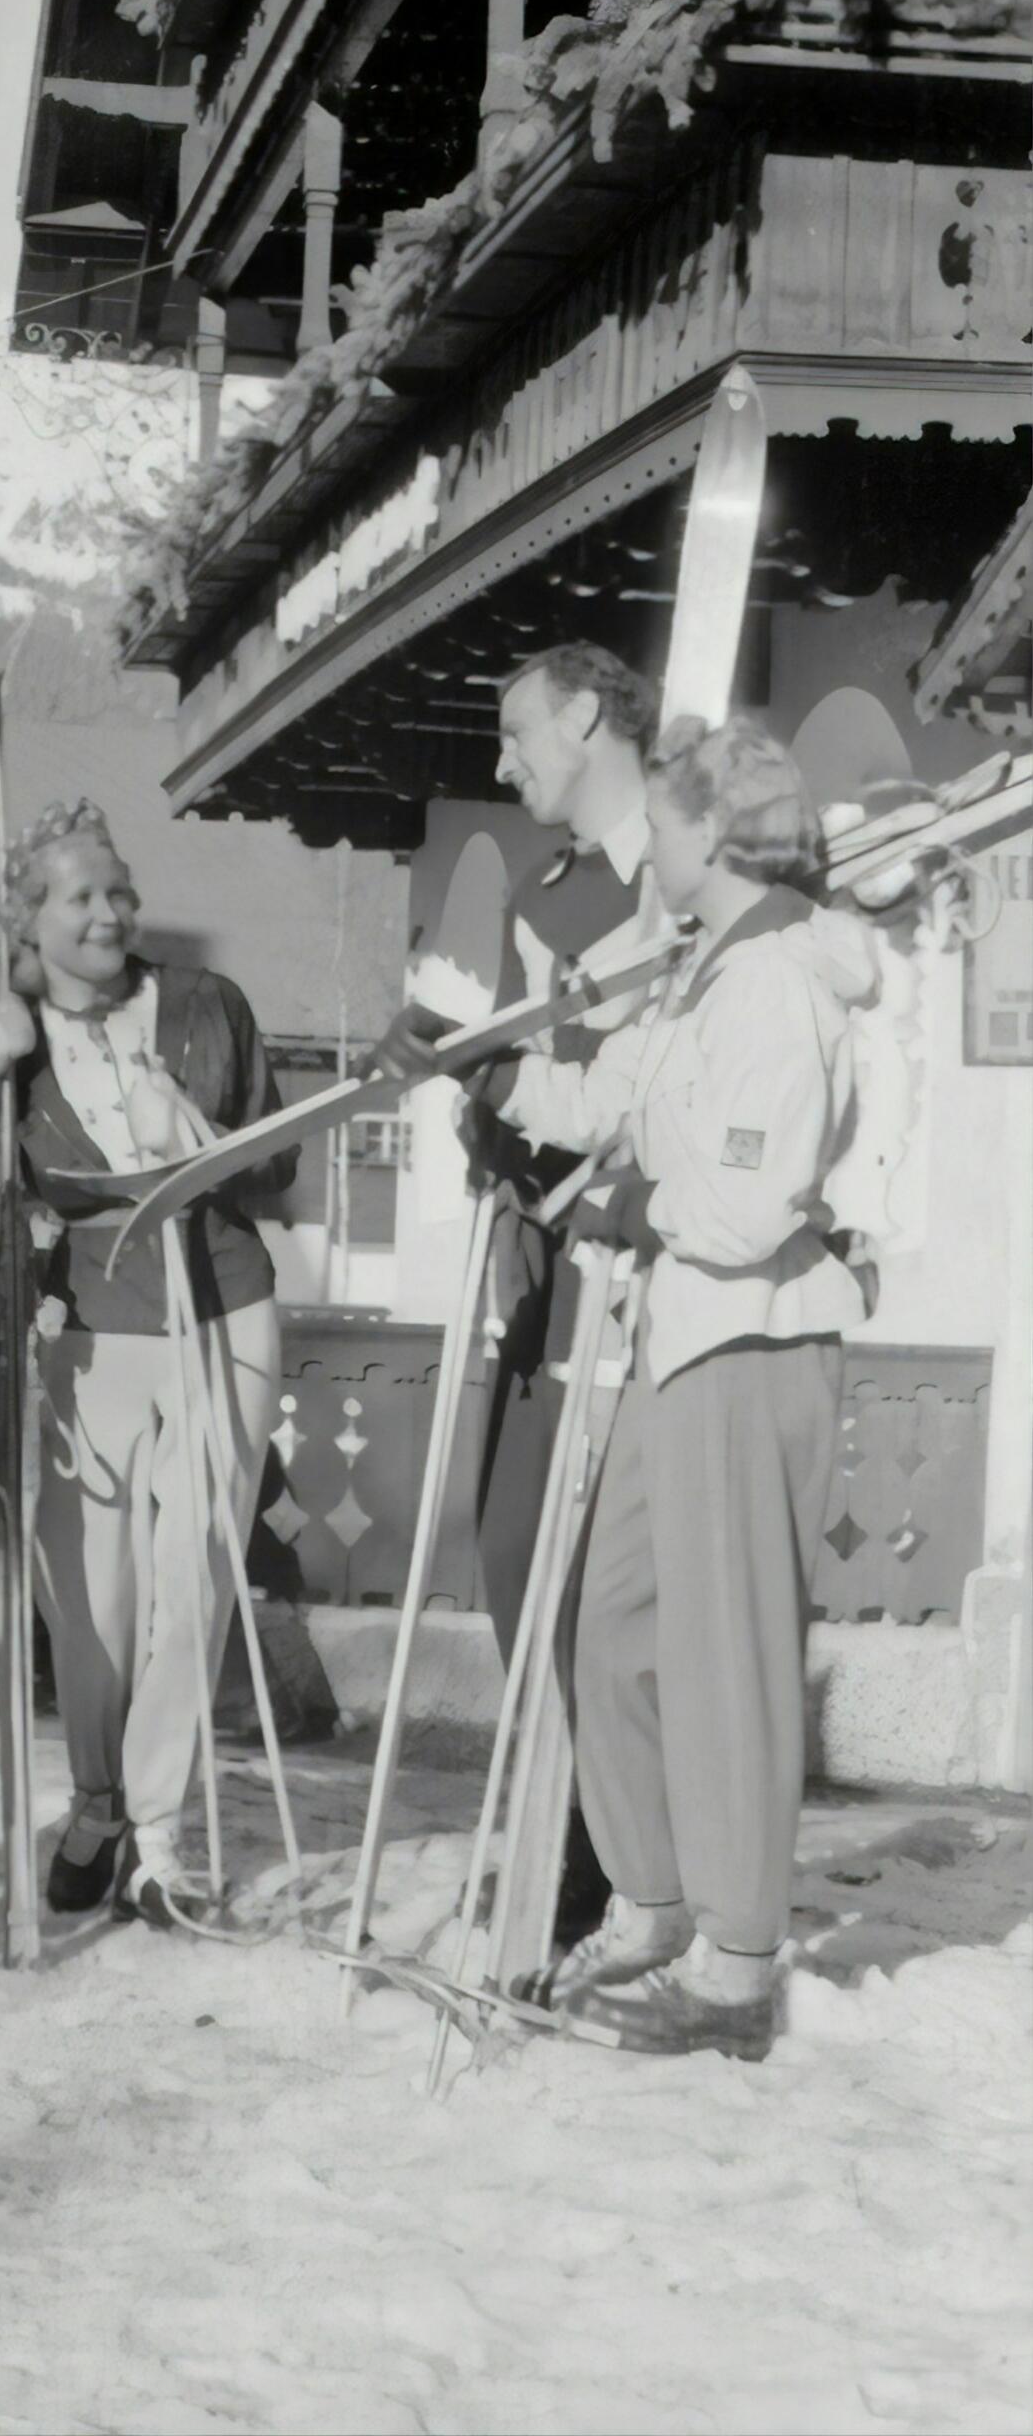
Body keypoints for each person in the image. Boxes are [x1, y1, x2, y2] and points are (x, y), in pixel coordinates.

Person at [454, 718, 875, 2059]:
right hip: (678, 1342)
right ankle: (651, 1898)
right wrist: (494, 1077)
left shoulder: (779, 986)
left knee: (724, 1655)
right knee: (611, 1631)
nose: (649, 844)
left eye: (667, 822)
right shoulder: (707, 969)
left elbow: (749, 1204)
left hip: (750, 1342)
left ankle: (736, 1965)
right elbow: (618, 1096)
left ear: (705, 835)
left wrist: (641, 1201)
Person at [0, 799, 298, 1930]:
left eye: (119, 888)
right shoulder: (6, 1030)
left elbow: (276, 1167)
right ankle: (95, 1800)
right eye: (81, 895)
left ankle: (159, 1835)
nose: (111, 912)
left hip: (220, 1315)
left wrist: (197, 1135)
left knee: (189, 1585)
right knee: (92, 1602)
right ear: (28, 920)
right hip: (81, 1332)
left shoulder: (205, 1005)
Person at [468, 642, 662, 1948]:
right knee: (507, 1560)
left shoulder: (692, 866)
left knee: (613, 1596)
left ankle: (605, 1859)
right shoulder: (543, 896)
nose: (499, 761)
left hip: (649, 1280)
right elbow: (526, 1079)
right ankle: (576, 1824)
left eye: (516, 732)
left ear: (587, 715)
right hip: (542, 1275)